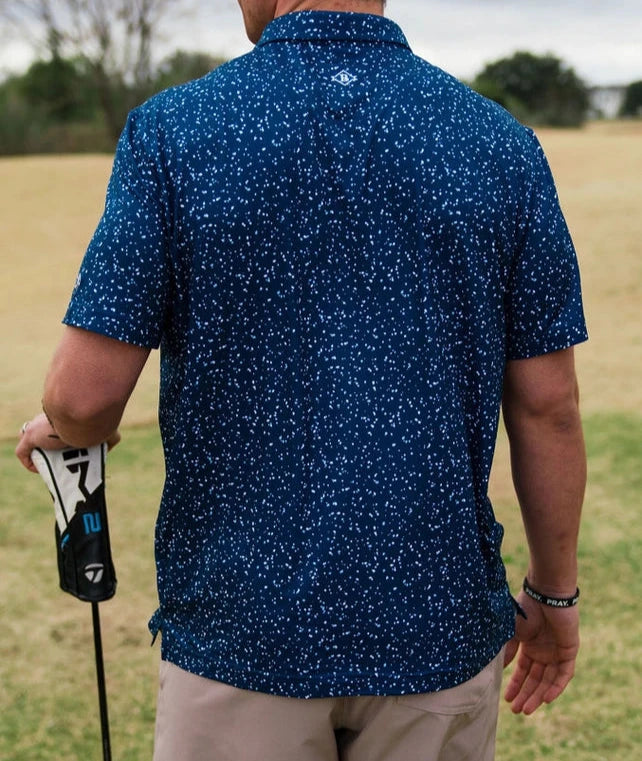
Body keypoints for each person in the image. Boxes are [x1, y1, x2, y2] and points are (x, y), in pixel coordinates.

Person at [16, 1, 588, 759]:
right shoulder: (502, 145)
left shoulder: (173, 131)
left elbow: (83, 398)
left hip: (241, 633)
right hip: (435, 624)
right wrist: (552, 590)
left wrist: (70, 428)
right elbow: (548, 406)